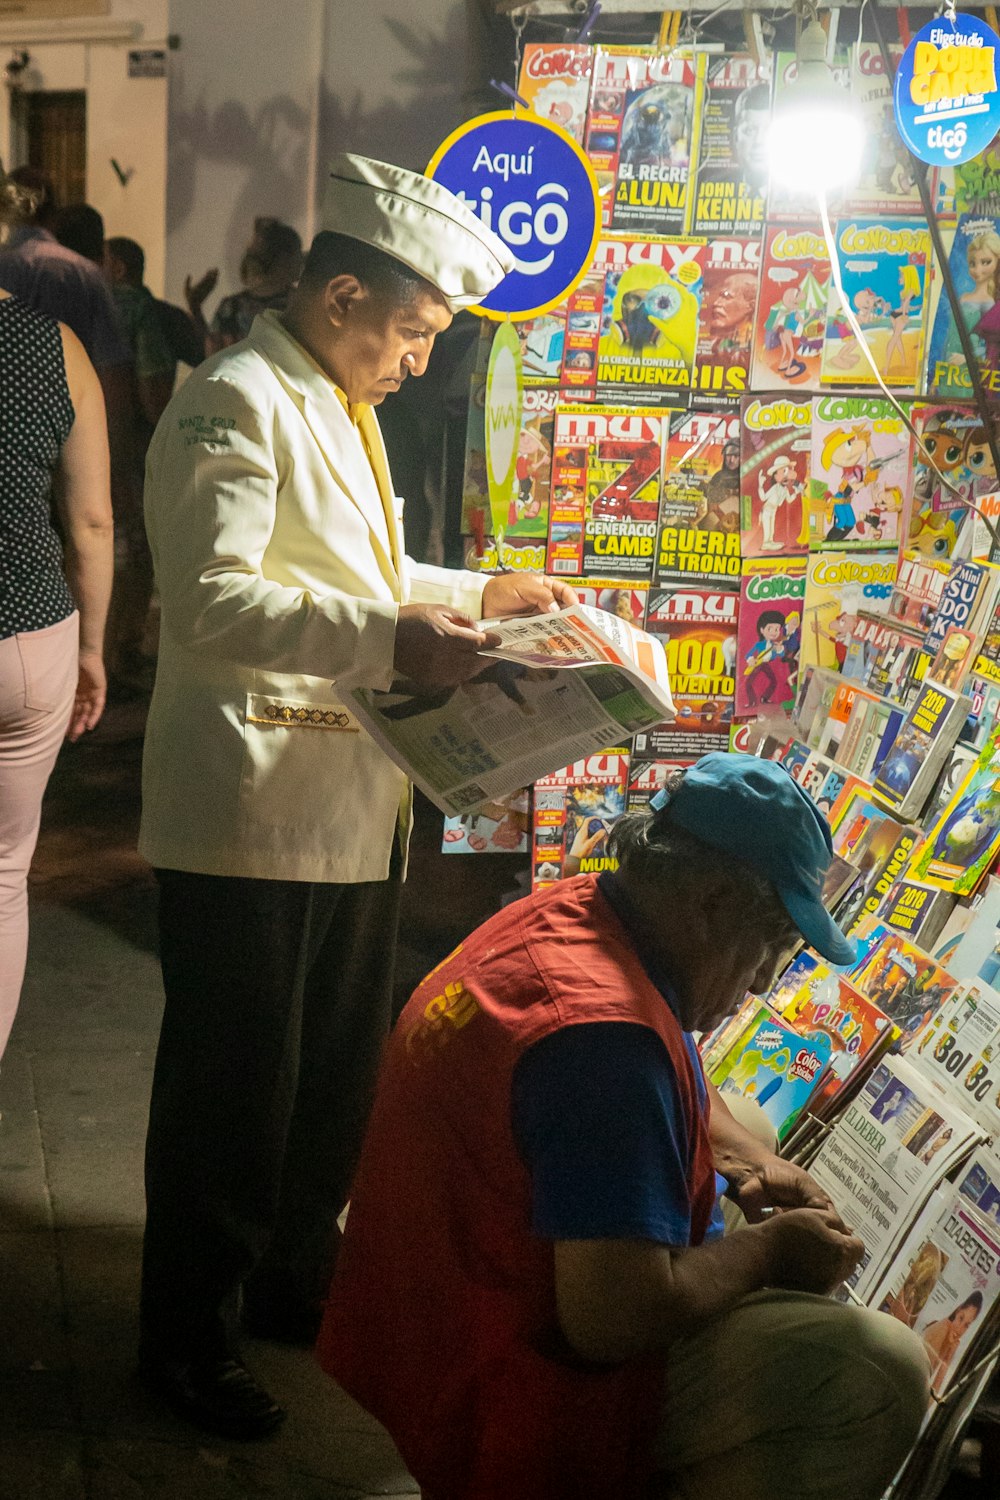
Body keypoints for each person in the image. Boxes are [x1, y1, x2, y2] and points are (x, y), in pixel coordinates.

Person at [136, 152, 577, 1440]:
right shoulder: (234, 398)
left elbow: (352, 563)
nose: (420, 362)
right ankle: (185, 1339)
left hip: (347, 806)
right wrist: (397, 631)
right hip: (251, 808)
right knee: (232, 1092)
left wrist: (465, 592)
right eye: (414, 330)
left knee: (327, 1082)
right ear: (340, 296)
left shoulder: (335, 398)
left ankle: (285, 1284)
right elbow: (214, 593)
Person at [319, 754, 929, 1500]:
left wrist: (736, 1156)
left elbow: (662, 1072)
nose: (766, 981)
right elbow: (612, 1319)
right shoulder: (606, 1047)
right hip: (493, 1371)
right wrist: (768, 1254)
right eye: (771, 947)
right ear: (708, 904)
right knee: (877, 1372)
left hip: (412, 1316)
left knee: (753, 1124)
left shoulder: (582, 910)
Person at [0, 166, 114, 1061]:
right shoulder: (55, 347)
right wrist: (95, 649)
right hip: (32, 635)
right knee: (3, 876)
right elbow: (90, 520)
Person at [103, 236, 178, 688]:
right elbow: (154, 396)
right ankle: (120, 652)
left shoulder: (86, 303)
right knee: (133, 554)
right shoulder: (140, 310)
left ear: (119, 267)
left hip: (80, 446)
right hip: (129, 448)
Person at [184, 216, 304, 357]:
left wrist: (195, 308)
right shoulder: (301, 306)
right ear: (283, 261)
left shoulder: (230, 308)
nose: (302, 261)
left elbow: (211, 358)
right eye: (297, 254)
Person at [921, 1292, 983, 1395]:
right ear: (957, 1311)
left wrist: (948, 1358)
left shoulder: (947, 1339)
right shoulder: (942, 1330)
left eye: (966, 1325)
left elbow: (932, 1399)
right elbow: (925, 1400)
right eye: (961, 1318)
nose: (959, 1329)